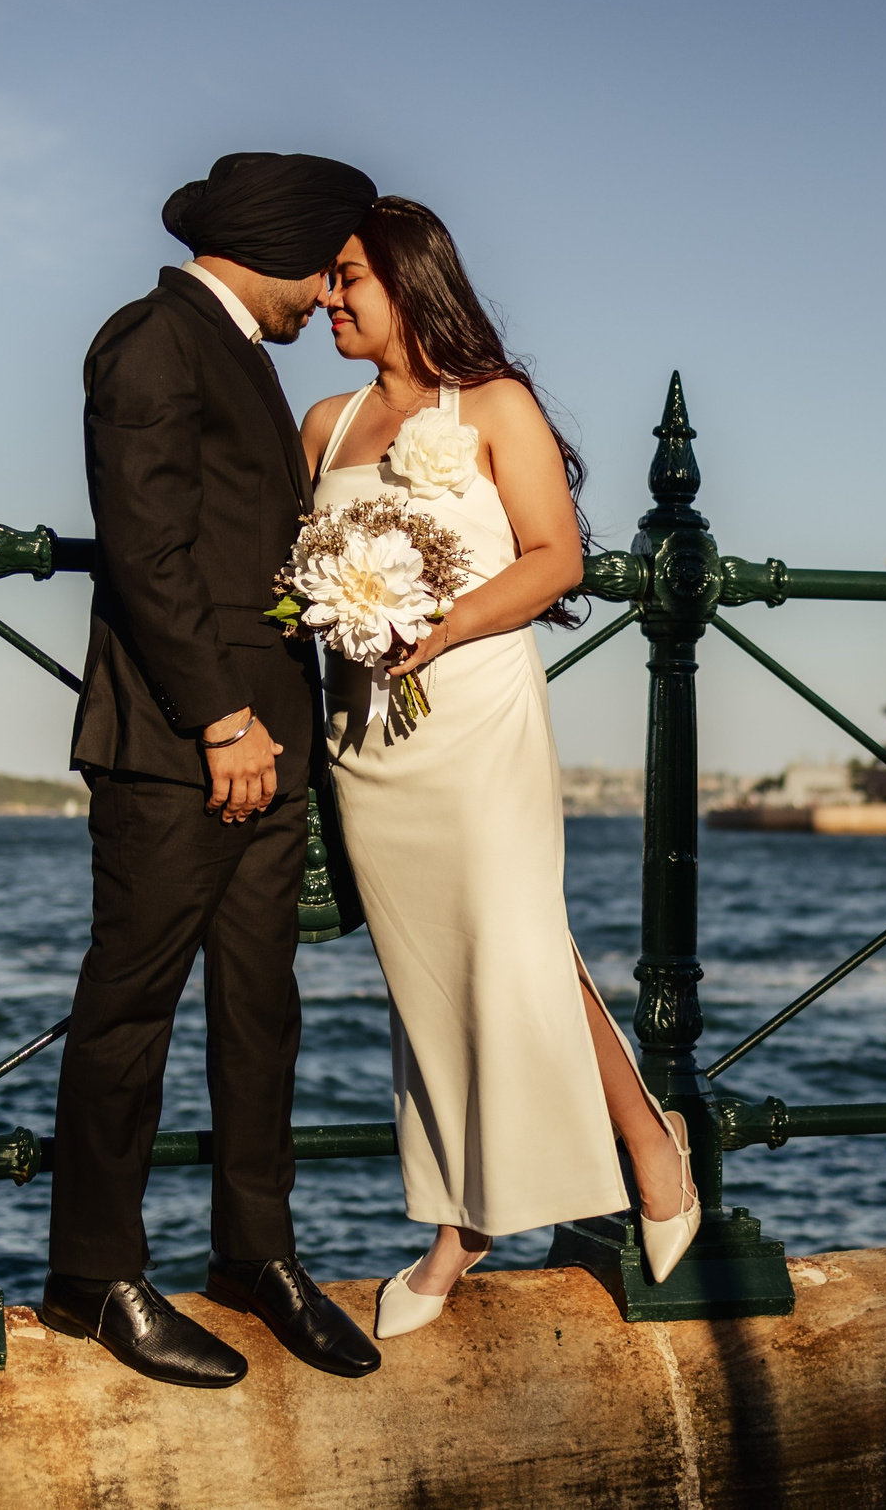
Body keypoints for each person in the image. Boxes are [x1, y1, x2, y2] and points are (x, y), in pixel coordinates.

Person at [297, 197, 699, 1341]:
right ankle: (602, 1165)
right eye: (327, 281)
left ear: (410, 283)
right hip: (366, 740)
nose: (330, 299)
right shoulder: (322, 426)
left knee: (513, 946)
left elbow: (554, 558)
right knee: (432, 980)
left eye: (348, 279)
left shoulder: (494, 407)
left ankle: (470, 1231)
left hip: (472, 714)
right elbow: (306, 571)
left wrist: (439, 624)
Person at [45, 152, 384, 1387]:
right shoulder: (150, 340)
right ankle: (92, 1276)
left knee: (261, 1009)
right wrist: (222, 721)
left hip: (267, 737)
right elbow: (147, 549)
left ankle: (256, 1254)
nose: (325, 296)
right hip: (184, 743)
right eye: (325, 268)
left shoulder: (232, 350)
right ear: (281, 247)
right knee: (130, 1007)